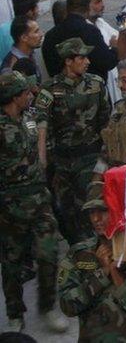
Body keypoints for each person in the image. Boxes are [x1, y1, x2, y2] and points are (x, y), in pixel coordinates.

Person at [0, 71, 68, 334]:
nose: (31, 95)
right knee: (12, 262)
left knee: (49, 252)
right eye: (26, 93)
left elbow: (41, 154)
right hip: (9, 204)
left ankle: (48, 306)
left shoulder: (30, 118)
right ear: (14, 97)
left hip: (39, 199)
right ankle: (16, 314)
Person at [58, 182, 126, 339]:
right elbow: (68, 306)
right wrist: (103, 273)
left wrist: (114, 271)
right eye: (91, 213)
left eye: (102, 211)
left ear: (118, 211)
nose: (95, 219)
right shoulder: (79, 254)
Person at [35, 37, 111, 244]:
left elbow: (106, 122)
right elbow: (40, 122)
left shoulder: (96, 85)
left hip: (89, 156)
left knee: (91, 207)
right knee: (67, 212)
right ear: (68, 61)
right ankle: (78, 253)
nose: (87, 62)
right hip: (62, 162)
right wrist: (44, 159)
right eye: (81, 58)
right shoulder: (49, 89)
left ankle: (99, 252)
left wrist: (105, 159)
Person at [41, 0, 125, 80]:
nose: (103, 5)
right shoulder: (90, 31)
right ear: (88, 7)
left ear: (68, 7)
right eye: (97, 2)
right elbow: (106, 62)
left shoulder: (50, 35)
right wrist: (114, 48)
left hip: (60, 90)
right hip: (89, 90)